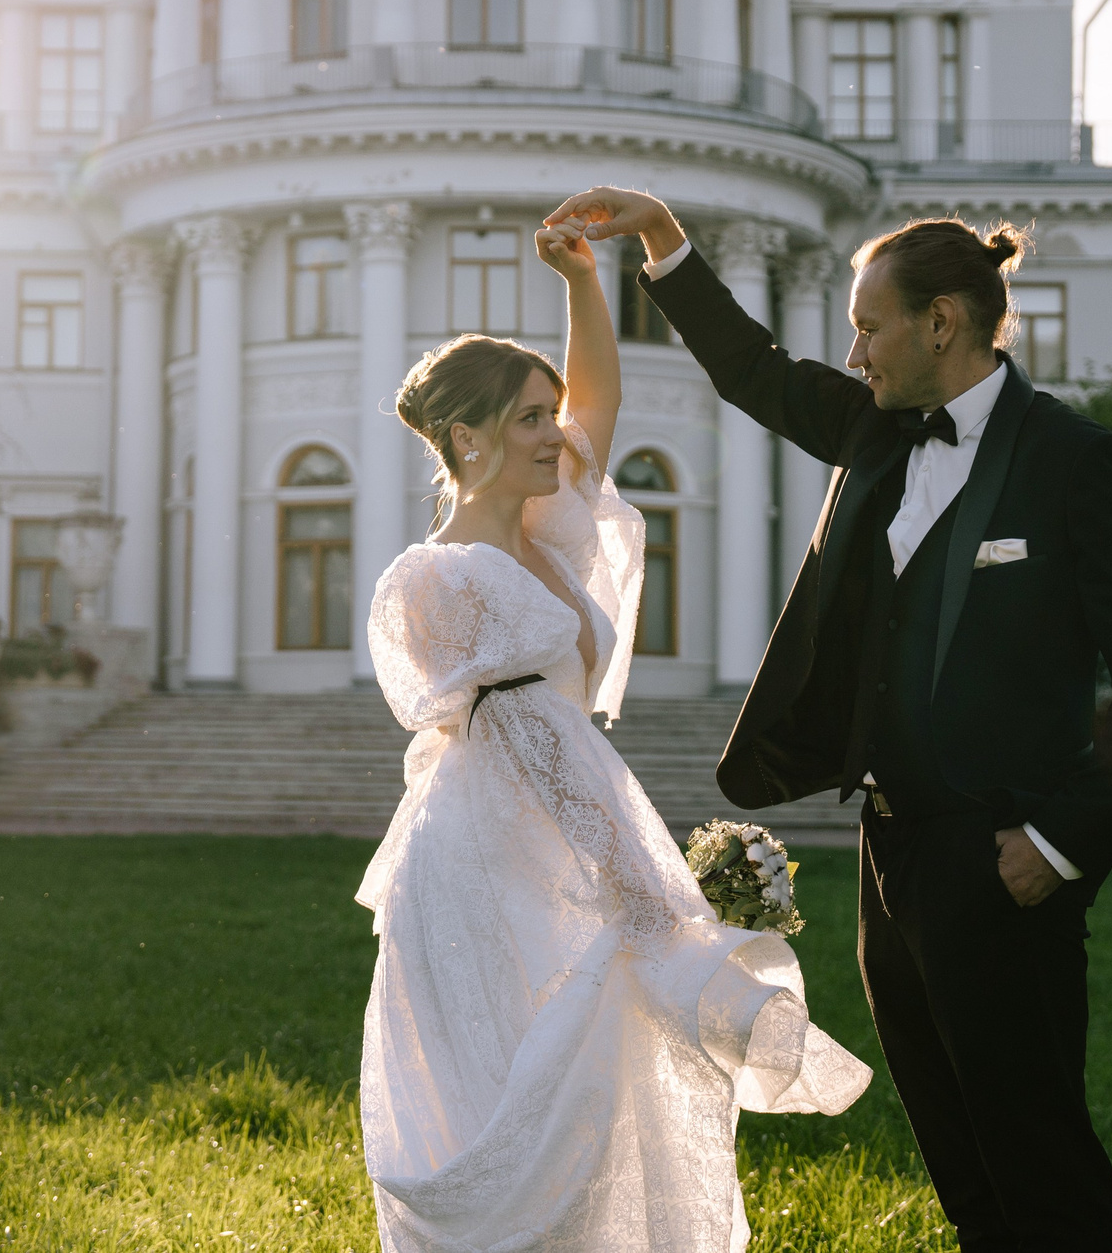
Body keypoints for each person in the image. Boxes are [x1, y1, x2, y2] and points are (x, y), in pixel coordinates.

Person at [543, 187, 1112, 1253]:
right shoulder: (871, 430)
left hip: (1004, 859)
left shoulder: (1076, 464)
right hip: (888, 853)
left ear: (939, 323)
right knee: (956, 1151)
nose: (852, 349)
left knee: (1035, 1153)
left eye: (867, 324)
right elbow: (753, 367)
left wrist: (1058, 841)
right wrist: (664, 243)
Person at [356, 217, 871, 1253]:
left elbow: (599, 399)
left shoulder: (543, 531)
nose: (559, 434)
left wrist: (585, 282)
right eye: (531, 420)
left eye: (550, 416)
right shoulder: (441, 577)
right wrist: (639, 887)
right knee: (534, 1091)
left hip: (551, 833)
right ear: (467, 439)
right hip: (491, 861)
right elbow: (525, 744)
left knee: (598, 1092)